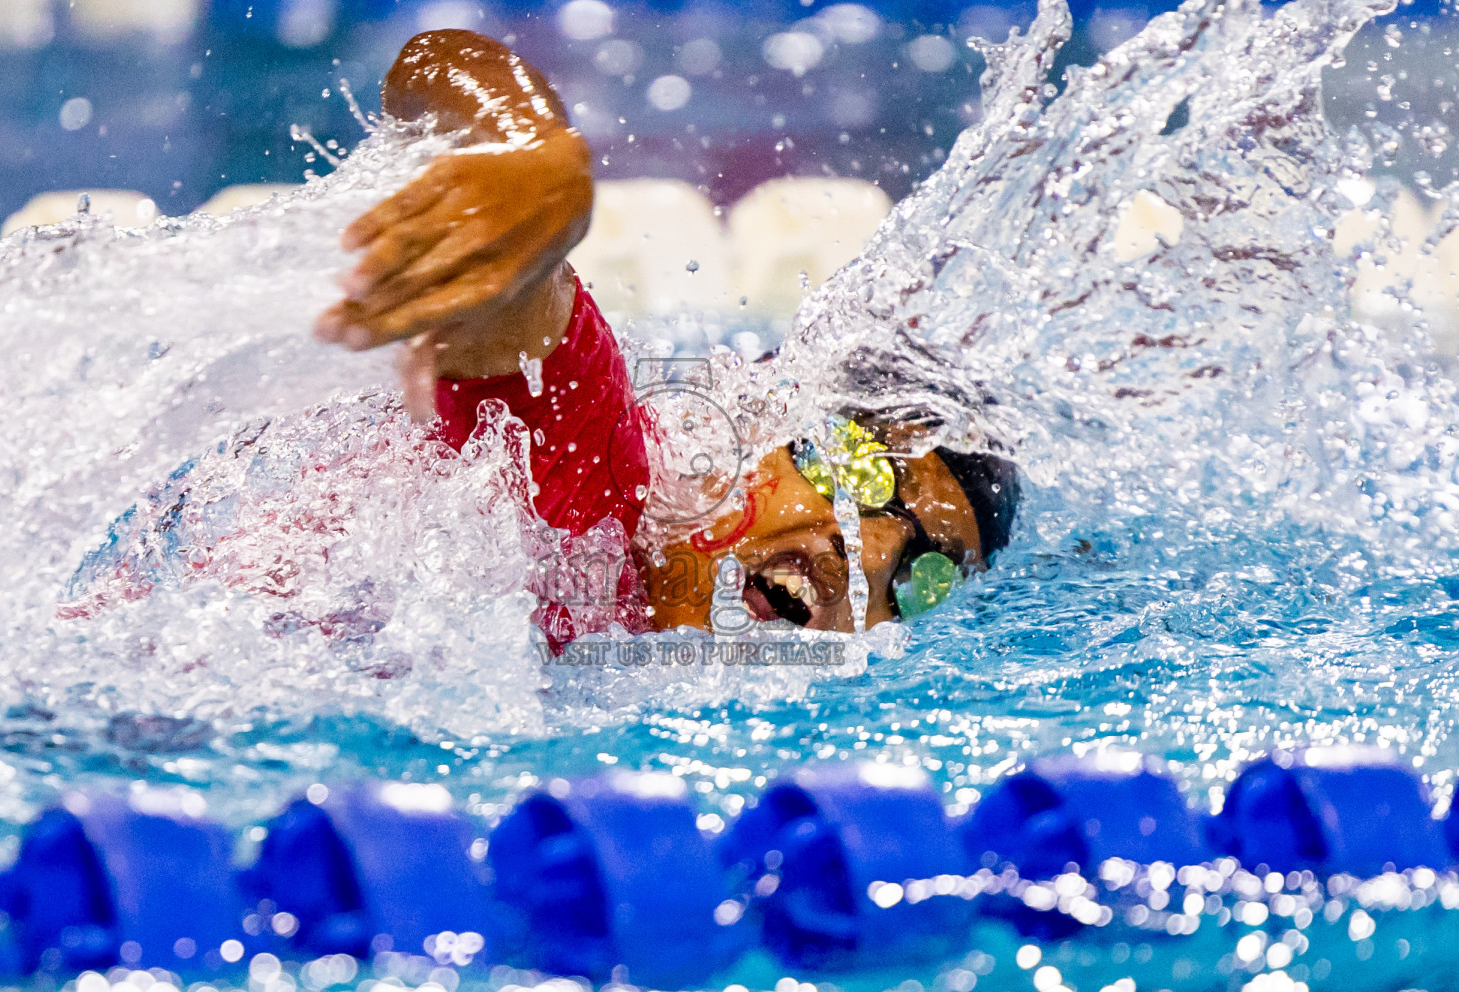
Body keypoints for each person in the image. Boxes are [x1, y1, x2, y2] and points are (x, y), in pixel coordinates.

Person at [313, 29, 1019, 644]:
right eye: (860, 471)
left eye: (924, 579)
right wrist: (534, 163)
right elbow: (435, 62)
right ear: (756, 423)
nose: (871, 555)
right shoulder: (595, 484)